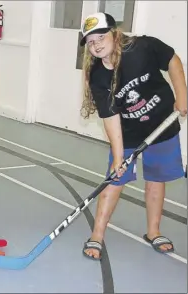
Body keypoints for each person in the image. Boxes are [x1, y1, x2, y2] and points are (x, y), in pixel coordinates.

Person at [79, 12, 187, 260]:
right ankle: (96, 235)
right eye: (90, 42)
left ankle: (153, 231)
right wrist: (118, 157)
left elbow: (172, 60)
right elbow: (110, 117)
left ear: (114, 33)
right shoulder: (98, 76)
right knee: (114, 181)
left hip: (162, 125)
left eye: (100, 37)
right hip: (128, 133)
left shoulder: (142, 47)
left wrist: (182, 95)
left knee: (156, 179)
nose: (96, 45)